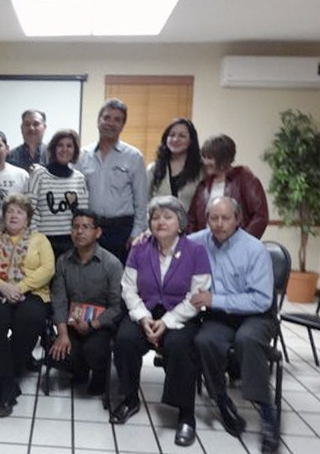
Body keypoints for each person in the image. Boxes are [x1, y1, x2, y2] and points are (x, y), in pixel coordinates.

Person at [111, 196, 211, 447]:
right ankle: (130, 398)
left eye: (168, 217)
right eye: (155, 217)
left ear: (180, 223)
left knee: (179, 345)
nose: (160, 222)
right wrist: (143, 317)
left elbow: (197, 296)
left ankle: (185, 414)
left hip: (181, 315)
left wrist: (166, 321)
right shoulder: (139, 248)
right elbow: (128, 288)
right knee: (125, 339)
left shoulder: (196, 251)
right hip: (144, 311)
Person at [190, 196, 279, 453]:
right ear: (207, 219)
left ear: (238, 219)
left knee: (247, 340)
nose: (219, 224)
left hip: (258, 315)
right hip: (222, 315)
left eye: (225, 218)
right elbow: (171, 242)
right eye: (213, 218)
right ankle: (221, 401)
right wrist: (146, 238)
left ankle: (267, 414)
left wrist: (214, 299)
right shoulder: (199, 241)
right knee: (204, 340)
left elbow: (261, 300)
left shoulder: (254, 249)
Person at [0, 194, 55, 417]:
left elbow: (48, 269)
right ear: (3, 216)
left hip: (31, 292)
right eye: (10, 211)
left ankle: (5, 382)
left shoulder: (40, 240)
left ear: (27, 218)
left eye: (20, 212)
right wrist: (3, 287)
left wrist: (19, 288)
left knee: (31, 317)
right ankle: (8, 382)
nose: (14, 215)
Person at [49, 209, 123, 395]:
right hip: (72, 322)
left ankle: (99, 376)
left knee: (93, 350)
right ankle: (79, 371)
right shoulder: (63, 261)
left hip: (100, 324)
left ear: (98, 232)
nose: (79, 231)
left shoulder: (112, 264)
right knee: (58, 351)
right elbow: (59, 300)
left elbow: (117, 307)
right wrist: (62, 334)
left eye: (86, 227)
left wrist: (92, 324)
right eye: (75, 227)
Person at [76, 98, 147, 265]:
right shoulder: (82, 156)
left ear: (122, 125)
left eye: (117, 119)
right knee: (90, 272)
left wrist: (136, 232)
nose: (110, 123)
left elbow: (141, 200)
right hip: (90, 227)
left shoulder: (134, 157)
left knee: (119, 275)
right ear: (98, 121)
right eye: (106, 118)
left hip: (121, 230)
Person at [187, 134, 269, 239]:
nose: (205, 162)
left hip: (237, 245)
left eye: (210, 158)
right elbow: (192, 220)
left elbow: (260, 216)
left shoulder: (244, 178)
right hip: (207, 245)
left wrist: (243, 242)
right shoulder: (203, 185)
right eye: (204, 157)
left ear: (223, 159)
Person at [28, 129, 88, 259]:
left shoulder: (79, 178)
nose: (64, 149)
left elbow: (82, 214)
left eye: (69, 146)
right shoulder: (39, 175)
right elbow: (30, 210)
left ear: (75, 150)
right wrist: (35, 240)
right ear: (53, 148)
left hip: (71, 243)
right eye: (60, 145)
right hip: (44, 242)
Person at [147, 118, 202, 210]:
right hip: (159, 218)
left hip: (190, 219)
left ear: (191, 140)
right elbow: (144, 200)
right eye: (172, 135)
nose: (175, 139)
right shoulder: (153, 168)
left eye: (182, 136)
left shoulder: (201, 169)